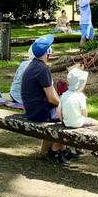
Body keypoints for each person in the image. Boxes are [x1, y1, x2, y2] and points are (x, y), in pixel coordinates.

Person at [20, 35, 69, 164]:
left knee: (62, 111)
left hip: (32, 109)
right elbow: (52, 98)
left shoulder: (33, 66)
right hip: (39, 112)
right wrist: (66, 106)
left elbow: (51, 93)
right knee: (68, 116)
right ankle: (55, 151)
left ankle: (62, 149)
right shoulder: (42, 69)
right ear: (47, 52)